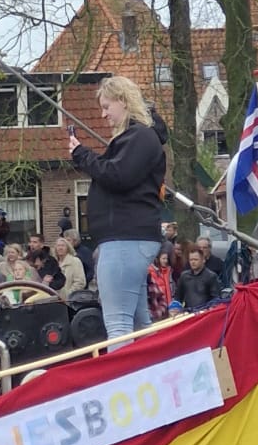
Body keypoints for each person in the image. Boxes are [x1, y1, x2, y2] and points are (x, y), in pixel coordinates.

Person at [67, 75, 166, 346]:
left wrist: (82, 155)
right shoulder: (139, 138)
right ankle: (152, 368)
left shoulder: (140, 137)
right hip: (129, 237)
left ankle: (123, 374)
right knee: (138, 325)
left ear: (123, 101)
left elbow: (118, 176)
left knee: (118, 324)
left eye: (106, 106)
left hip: (124, 238)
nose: (103, 114)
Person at [178, 245, 223, 312]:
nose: (193, 262)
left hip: (204, 314)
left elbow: (216, 299)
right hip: (188, 313)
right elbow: (178, 297)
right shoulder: (184, 276)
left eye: (196, 259)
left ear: (203, 260)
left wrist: (210, 309)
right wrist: (175, 307)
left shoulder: (211, 276)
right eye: (191, 260)